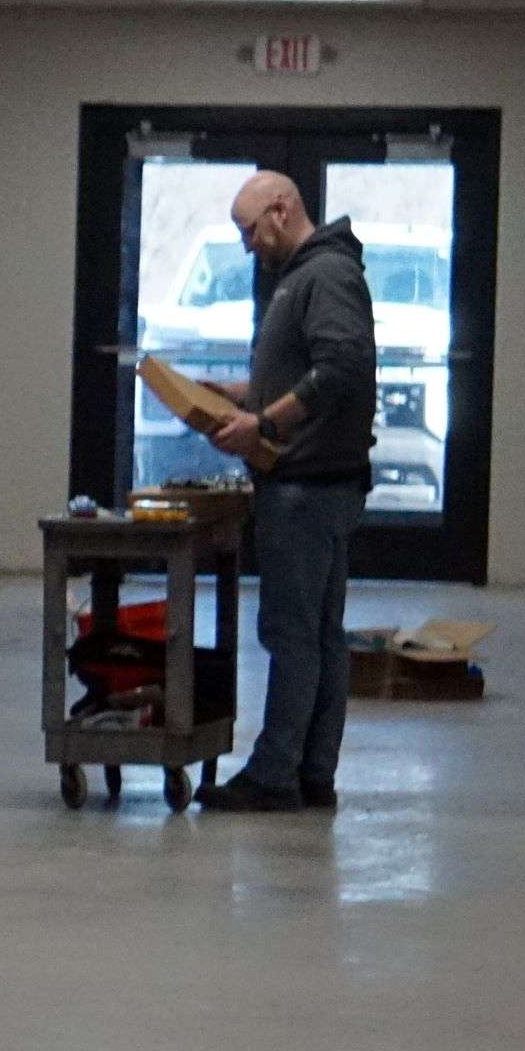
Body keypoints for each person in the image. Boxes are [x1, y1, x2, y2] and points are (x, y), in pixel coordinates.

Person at [192, 171, 378, 814]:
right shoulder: (303, 275)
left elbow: (341, 369)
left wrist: (264, 426)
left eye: (249, 230)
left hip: (307, 485)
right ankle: (310, 773)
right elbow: (303, 372)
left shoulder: (324, 275)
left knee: (294, 634)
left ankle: (277, 774)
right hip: (313, 482)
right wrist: (230, 396)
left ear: (281, 209)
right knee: (319, 634)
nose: (247, 246)